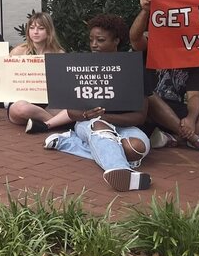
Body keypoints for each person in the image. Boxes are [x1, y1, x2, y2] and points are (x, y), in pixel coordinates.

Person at [44, 14, 153, 192]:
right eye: (91, 40)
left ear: (116, 40)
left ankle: (71, 143)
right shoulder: (83, 65)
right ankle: (121, 170)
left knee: (136, 148)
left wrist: (105, 115)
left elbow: (140, 117)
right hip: (90, 123)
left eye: (100, 40)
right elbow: (72, 113)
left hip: (123, 125)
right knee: (101, 128)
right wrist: (88, 115)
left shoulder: (133, 70)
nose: (94, 44)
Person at [131, 0, 199, 153]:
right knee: (149, 94)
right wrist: (145, 10)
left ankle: (173, 138)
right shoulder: (152, 45)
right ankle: (195, 140)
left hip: (175, 111)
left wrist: (191, 119)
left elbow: (195, 95)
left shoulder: (191, 56)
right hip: (150, 109)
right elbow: (135, 38)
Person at [5, 12, 72, 133]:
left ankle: (43, 124)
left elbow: (65, 84)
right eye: (32, 28)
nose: (35, 32)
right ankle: (55, 124)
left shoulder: (59, 54)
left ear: (49, 31)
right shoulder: (18, 51)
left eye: (41, 28)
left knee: (72, 108)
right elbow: (5, 76)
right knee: (21, 108)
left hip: (48, 103)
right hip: (23, 103)